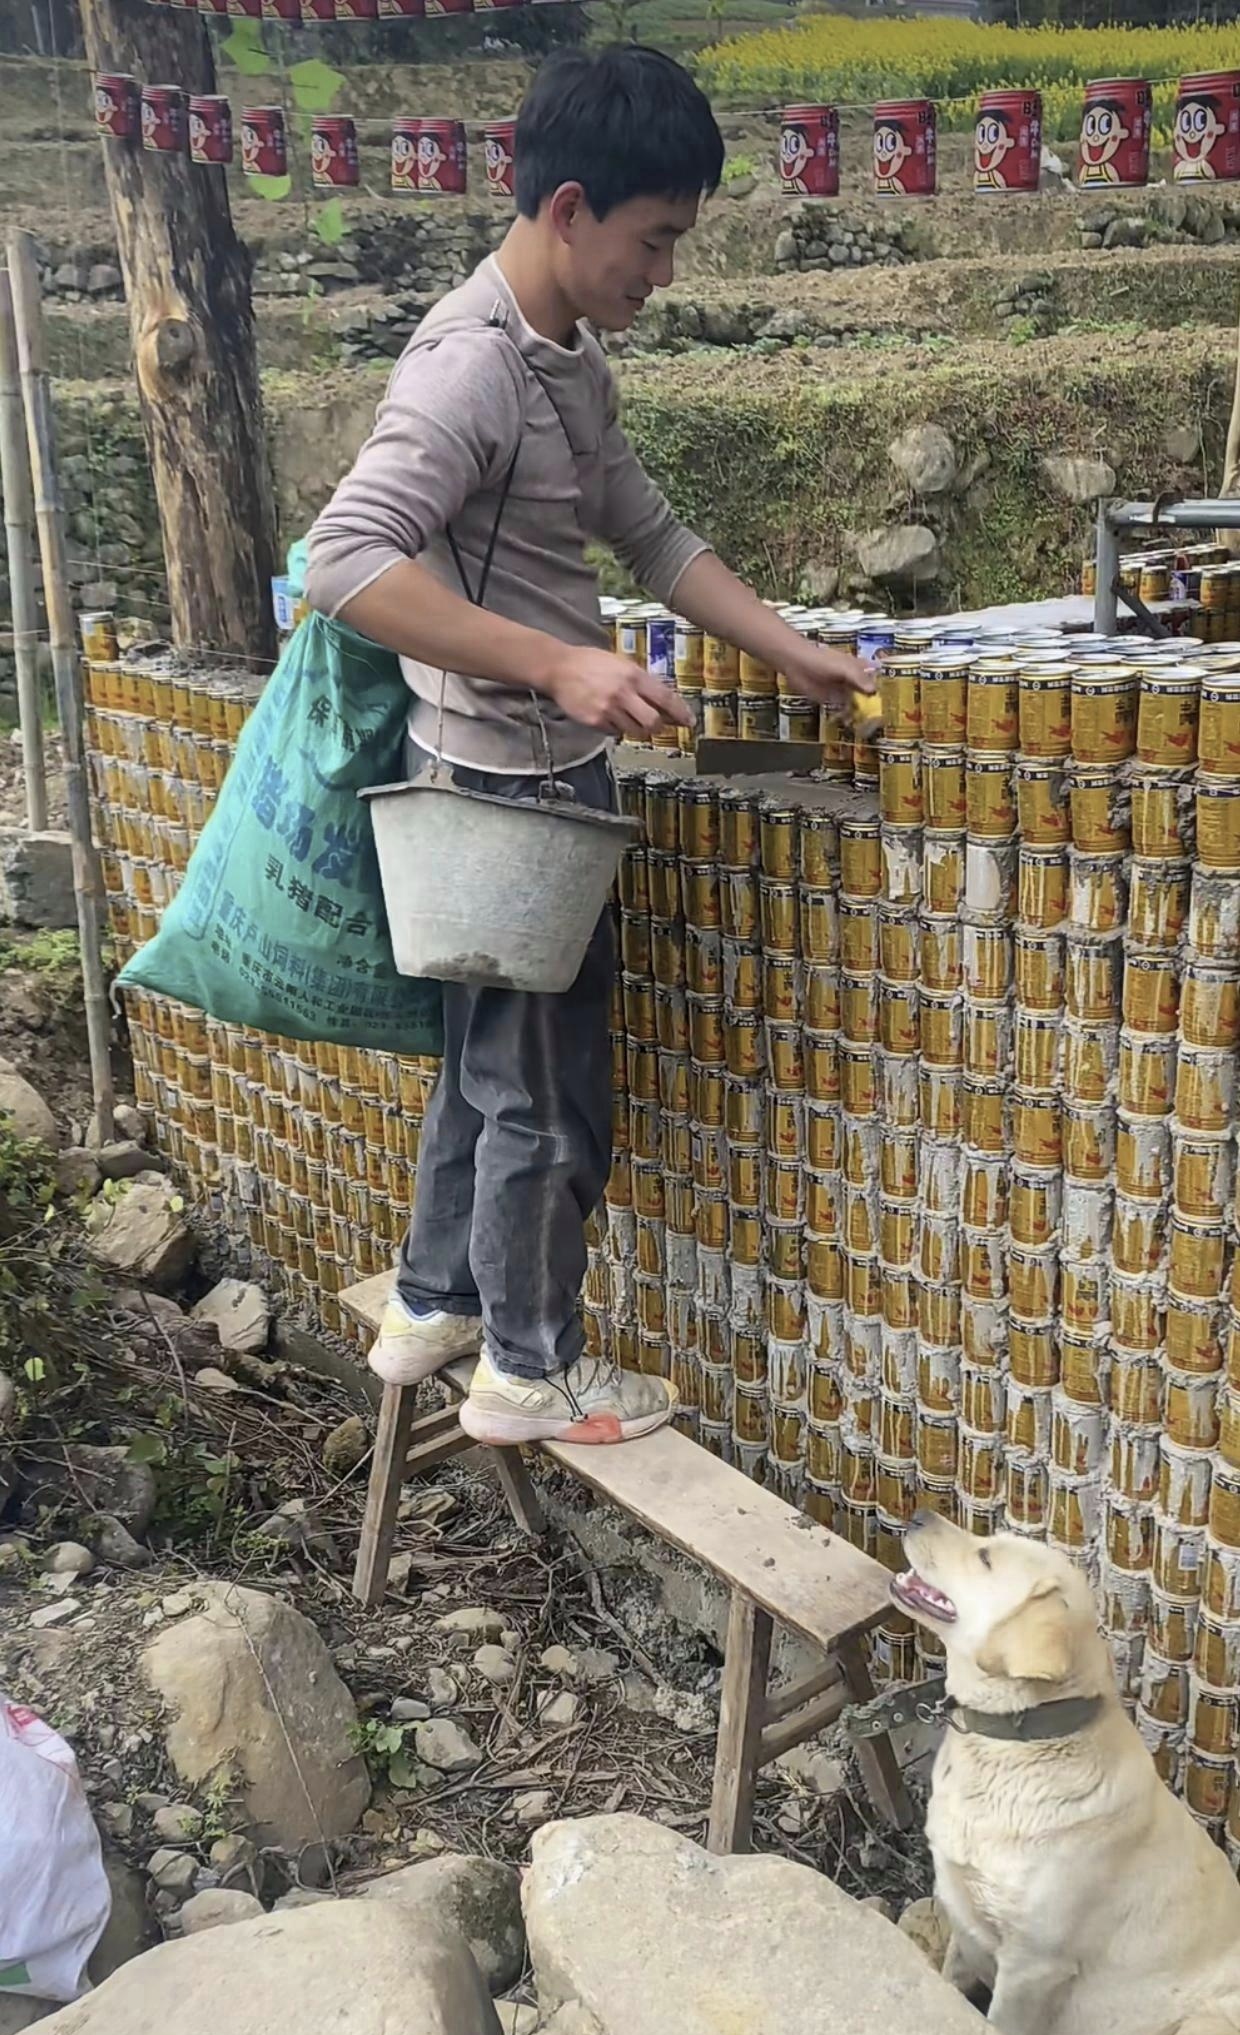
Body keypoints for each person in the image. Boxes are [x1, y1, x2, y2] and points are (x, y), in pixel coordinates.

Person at [305, 46, 873, 1449]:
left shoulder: (563, 359)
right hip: (503, 788)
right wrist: (561, 661)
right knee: (550, 1099)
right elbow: (341, 559)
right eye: (654, 239)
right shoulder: (472, 369)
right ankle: (531, 1370)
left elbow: (652, 531)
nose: (663, 272)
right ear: (570, 207)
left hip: (504, 775)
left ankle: (438, 1298)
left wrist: (782, 644)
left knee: (485, 1070)